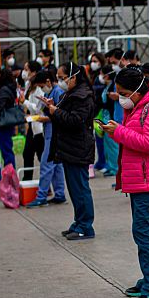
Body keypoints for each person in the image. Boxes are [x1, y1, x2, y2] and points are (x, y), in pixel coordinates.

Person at [101, 67, 149, 298]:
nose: (120, 97)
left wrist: (118, 132)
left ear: (137, 91)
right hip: (140, 179)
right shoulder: (140, 106)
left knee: (144, 232)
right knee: (143, 232)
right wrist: (117, 130)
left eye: (123, 93)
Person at [43, 62, 97, 240]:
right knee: (74, 189)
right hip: (70, 147)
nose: (60, 81)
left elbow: (75, 121)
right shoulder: (72, 93)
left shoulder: (82, 96)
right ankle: (78, 222)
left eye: (62, 77)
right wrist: (52, 108)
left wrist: (55, 111)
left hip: (78, 148)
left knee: (80, 189)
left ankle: (85, 226)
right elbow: (64, 116)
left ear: (73, 77)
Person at [26, 71, 67, 207]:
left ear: (48, 82)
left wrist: (44, 118)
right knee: (56, 166)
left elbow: (58, 114)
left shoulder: (57, 92)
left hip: (54, 132)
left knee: (46, 164)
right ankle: (60, 193)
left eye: (42, 86)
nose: (42, 88)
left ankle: (41, 196)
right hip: (52, 132)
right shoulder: (51, 92)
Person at [0, 67, 18, 167]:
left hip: (2, 123)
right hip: (6, 123)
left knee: (6, 150)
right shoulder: (8, 88)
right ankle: (9, 173)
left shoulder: (4, 90)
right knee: (6, 149)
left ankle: (10, 175)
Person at [21, 60, 44, 180]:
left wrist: (24, 102)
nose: (24, 72)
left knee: (41, 156)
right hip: (32, 125)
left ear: (34, 72)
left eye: (26, 69)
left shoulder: (40, 89)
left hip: (39, 126)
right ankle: (27, 180)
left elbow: (37, 109)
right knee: (27, 154)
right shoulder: (28, 86)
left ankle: (46, 186)